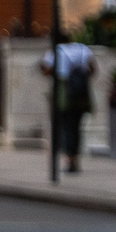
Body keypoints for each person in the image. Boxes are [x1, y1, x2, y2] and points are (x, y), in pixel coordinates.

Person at [41, 39, 95, 174]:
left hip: (64, 93)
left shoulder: (57, 50)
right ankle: (75, 159)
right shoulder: (83, 49)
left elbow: (47, 69)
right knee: (76, 127)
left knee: (66, 127)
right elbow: (93, 69)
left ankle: (70, 160)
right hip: (82, 94)